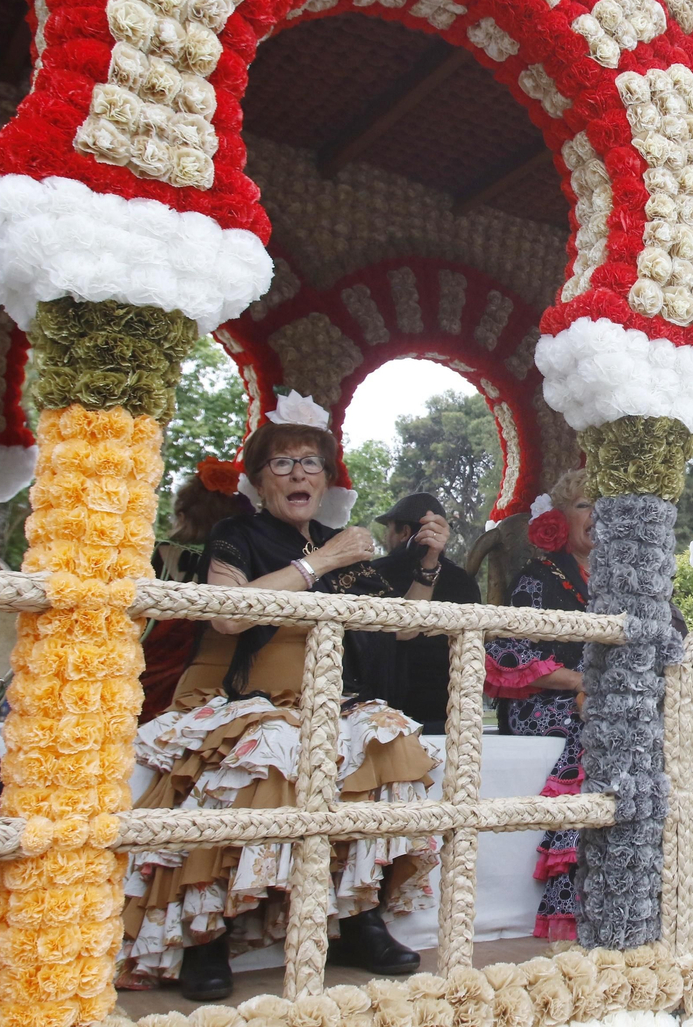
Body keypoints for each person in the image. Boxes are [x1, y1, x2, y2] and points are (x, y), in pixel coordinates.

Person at [122, 393, 448, 1001]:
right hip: (244, 694)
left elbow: (400, 624)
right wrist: (319, 562)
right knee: (271, 747)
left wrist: (427, 562)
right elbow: (227, 618)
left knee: (392, 739)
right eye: (282, 463)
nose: (298, 473)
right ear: (258, 480)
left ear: (326, 481)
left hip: (323, 695)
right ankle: (203, 936)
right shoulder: (236, 534)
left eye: (310, 464)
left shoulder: (337, 539)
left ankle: (355, 919)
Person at [482, 471, 693, 936]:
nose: (598, 516)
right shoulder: (539, 578)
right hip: (549, 701)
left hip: (622, 697)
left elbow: (670, 646)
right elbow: (516, 655)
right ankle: (597, 893)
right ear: (559, 519)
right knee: (612, 725)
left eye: (606, 506)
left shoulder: (639, 580)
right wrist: (587, 682)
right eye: (584, 506)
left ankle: (689, 875)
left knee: (691, 730)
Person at [139, 458, 252, 722]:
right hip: (211, 686)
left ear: (182, 515)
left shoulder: (152, 554)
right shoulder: (241, 566)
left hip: (147, 674)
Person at [372, 492, 481, 734]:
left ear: (403, 533)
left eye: (389, 529)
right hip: (448, 711)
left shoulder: (375, 573)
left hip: (384, 711)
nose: (385, 537)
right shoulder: (464, 581)